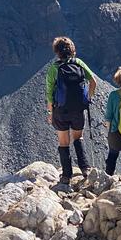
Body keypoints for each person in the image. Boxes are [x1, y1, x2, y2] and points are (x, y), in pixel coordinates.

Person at [44, 36, 96, 187]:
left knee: (63, 142)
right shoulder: (79, 63)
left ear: (57, 52)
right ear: (72, 49)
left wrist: (50, 112)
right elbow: (93, 81)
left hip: (60, 110)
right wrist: (87, 98)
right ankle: (85, 168)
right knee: (78, 138)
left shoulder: (54, 68)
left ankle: (66, 175)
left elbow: (49, 93)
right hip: (78, 109)